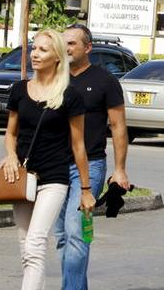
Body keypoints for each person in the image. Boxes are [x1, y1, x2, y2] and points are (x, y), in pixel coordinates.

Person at [0, 30, 95, 290]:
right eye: (34, 49)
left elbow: (78, 146)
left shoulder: (70, 96)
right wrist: (10, 155)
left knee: (35, 242)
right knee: (25, 246)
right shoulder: (19, 90)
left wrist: (85, 190)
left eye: (43, 50)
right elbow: (11, 133)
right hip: (21, 178)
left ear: (57, 57)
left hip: (54, 179)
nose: (35, 54)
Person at [55, 24, 130, 290]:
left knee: (77, 233)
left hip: (91, 167)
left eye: (72, 43)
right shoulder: (54, 77)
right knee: (62, 236)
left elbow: (119, 126)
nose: (66, 48)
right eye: (63, 43)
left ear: (88, 48)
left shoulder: (105, 81)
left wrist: (119, 169)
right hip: (54, 167)